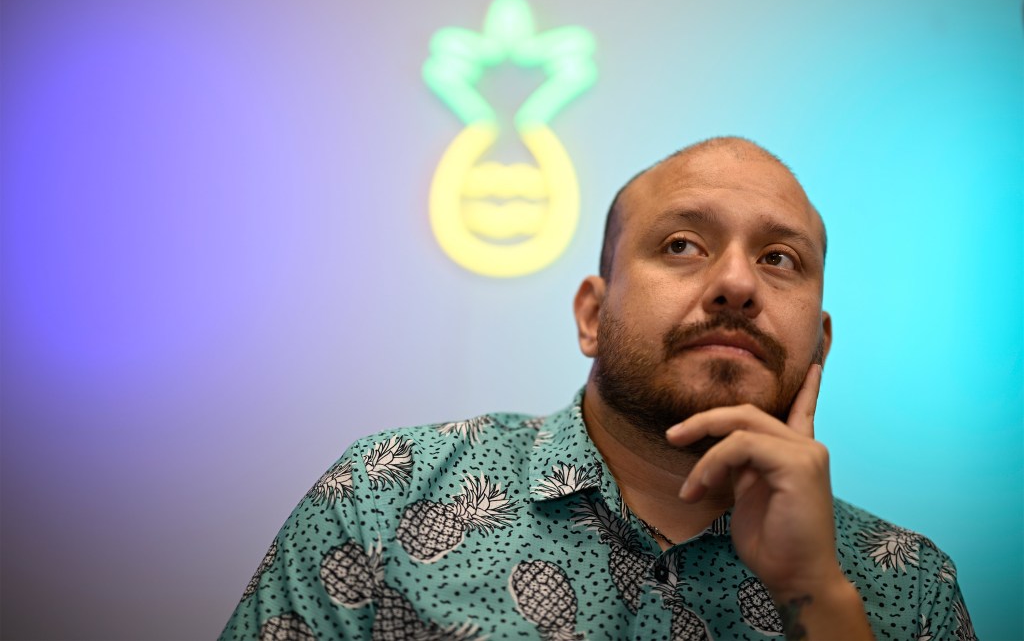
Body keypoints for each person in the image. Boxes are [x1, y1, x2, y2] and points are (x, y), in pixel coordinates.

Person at [221, 137, 975, 641]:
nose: (738, 283)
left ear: (822, 343)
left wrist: (816, 596)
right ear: (591, 314)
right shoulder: (384, 496)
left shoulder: (907, 587)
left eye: (780, 259)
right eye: (682, 245)